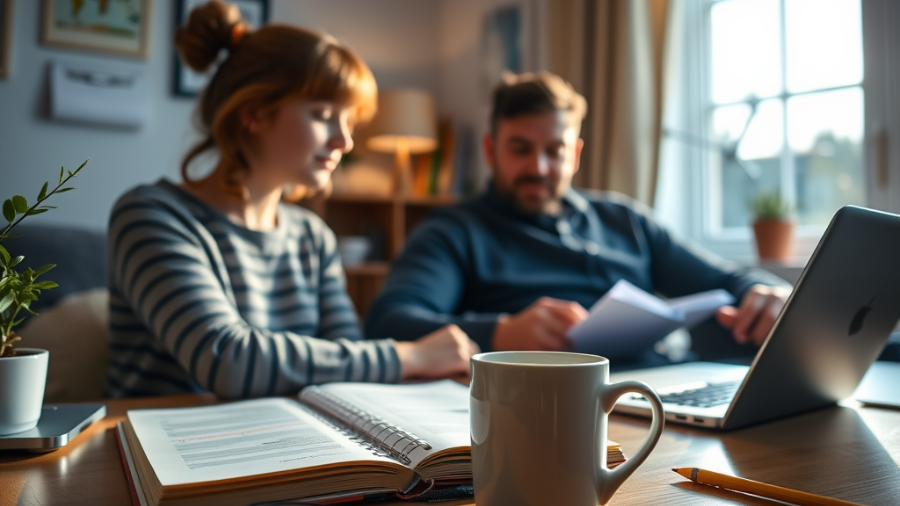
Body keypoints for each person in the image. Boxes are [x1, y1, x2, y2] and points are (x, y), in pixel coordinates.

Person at [105, 0, 478, 399]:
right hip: (160, 446)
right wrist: (410, 356)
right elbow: (226, 361)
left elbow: (348, 358)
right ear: (253, 113)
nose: (344, 141)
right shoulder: (150, 215)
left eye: (348, 121)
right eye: (321, 115)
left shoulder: (311, 236)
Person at [365, 71, 790, 363]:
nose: (539, 167)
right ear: (492, 151)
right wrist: (502, 333)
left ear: (576, 154)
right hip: (544, 409)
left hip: (659, 393)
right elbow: (389, 322)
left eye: (555, 151)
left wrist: (767, 291)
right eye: (520, 149)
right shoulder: (453, 231)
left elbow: (728, 281)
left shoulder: (627, 221)